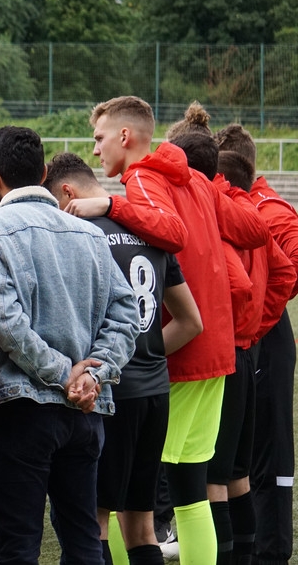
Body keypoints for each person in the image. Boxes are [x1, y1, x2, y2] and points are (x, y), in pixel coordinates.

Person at [65, 96, 269, 565]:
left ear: (124, 136)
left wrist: (108, 202)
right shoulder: (196, 178)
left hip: (181, 355)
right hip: (217, 347)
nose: (95, 150)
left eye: (99, 138)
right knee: (190, 487)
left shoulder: (142, 179)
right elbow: (252, 230)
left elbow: (171, 232)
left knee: (121, 500)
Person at [0, 126, 139, 565]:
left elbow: (5, 322)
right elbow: (127, 318)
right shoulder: (89, 233)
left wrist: (67, 374)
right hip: (86, 411)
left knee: (19, 543)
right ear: (43, 172)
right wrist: (92, 375)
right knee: (83, 539)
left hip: (22, 407)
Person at [45, 152, 204, 565]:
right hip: (155, 392)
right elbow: (190, 322)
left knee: (93, 521)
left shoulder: (82, 232)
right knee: (141, 526)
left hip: (108, 395)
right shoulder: (148, 230)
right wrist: (145, 353)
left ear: (67, 193)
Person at [216, 123, 298, 565]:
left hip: (263, 336)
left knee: (269, 449)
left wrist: (257, 322)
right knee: (238, 454)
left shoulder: (270, 208)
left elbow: (291, 270)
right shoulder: (240, 204)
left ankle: (272, 549)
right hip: (249, 337)